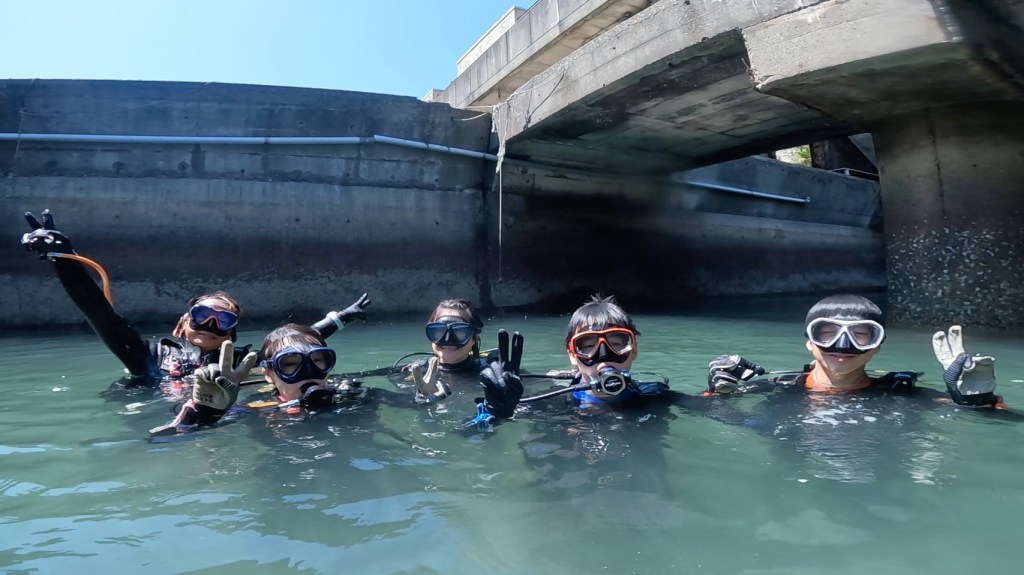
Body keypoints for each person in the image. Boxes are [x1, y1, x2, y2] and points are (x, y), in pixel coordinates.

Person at [20, 209, 372, 428]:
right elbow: (103, 317)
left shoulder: (239, 362)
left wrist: (339, 318)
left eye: (224, 321)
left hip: (218, 417)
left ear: (233, 331)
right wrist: (64, 262)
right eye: (204, 315)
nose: (211, 326)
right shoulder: (150, 355)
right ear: (184, 321)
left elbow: (290, 349)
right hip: (150, 415)